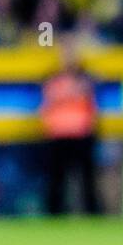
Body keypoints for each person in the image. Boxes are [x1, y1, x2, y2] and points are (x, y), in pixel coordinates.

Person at [40, 43, 101, 215]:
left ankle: (92, 213)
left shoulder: (86, 78)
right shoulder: (53, 78)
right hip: (58, 134)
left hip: (81, 133)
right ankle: (54, 214)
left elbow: (92, 103)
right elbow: (49, 100)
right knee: (56, 179)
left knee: (87, 179)